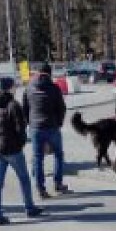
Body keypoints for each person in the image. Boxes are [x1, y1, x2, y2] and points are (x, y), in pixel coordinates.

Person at [0, 77, 44, 225]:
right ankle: (29, 208)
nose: (15, 89)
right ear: (8, 89)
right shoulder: (13, 105)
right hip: (13, 150)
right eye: (13, 87)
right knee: (24, 179)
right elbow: (21, 129)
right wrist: (21, 143)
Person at [22, 62, 69, 199]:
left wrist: (29, 123)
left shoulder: (29, 87)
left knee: (38, 158)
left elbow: (24, 108)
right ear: (49, 73)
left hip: (36, 127)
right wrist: (59, 123)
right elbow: (62, 108)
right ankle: (58, 184)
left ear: (37, 73)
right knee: (59, 155)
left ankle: (40, 189)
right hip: (52, 126)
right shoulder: (54, 88)